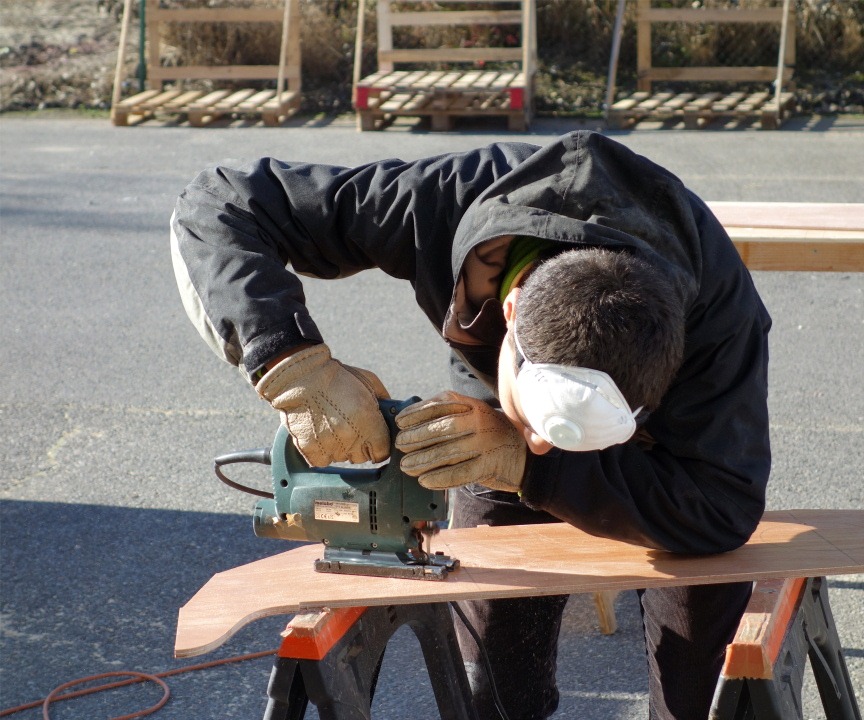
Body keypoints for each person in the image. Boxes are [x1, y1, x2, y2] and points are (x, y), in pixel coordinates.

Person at [170, 130, 771, 720]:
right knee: (498, 677)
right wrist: (290, 363)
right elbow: (221, 201)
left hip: (657, 457)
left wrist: (527, 461)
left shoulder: (718, 321)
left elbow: (720, 505)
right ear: (510, 314)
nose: (537, 442)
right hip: (480, 422)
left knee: (699, 682)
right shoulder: (443, 202)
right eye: (538, 422)